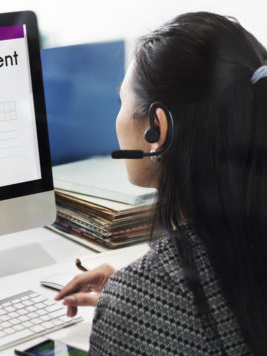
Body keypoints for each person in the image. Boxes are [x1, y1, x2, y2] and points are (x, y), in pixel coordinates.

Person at [55, 12, 267, 355]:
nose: (118, 117)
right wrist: (147, 291)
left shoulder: (138, 301)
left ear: (157, 128)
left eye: (121, 102)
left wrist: (139, 299)